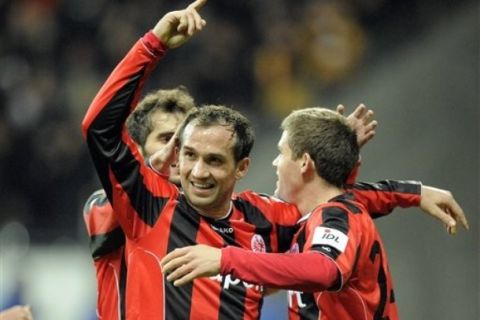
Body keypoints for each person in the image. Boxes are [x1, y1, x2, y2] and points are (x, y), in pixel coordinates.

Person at [81, 1, 467, 318]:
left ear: (241, 168)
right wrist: (153, 45)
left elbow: (327, 202)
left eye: (214, 160)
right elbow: (99, 127)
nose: (198, 171)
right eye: (189, 155)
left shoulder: (261, 218)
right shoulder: (143, 203)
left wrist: (408, 192)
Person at [159, 108, 469, 319]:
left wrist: (225, 259)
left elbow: (325, 269)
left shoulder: (337, 217)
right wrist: (411, 193)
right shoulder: (319, 215)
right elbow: (349, 195)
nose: (275, 163)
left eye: (282, 153)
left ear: (305, 163)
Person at [82, 87, 196, 319]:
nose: (177, 149)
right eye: (166, 138)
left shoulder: (207, 215)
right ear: (137, 148)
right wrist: (152, 170)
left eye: (185, 139)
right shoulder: (101, 205)